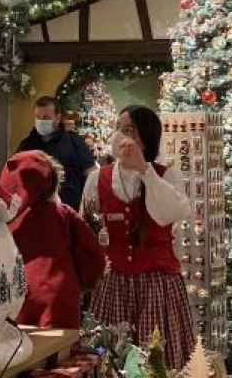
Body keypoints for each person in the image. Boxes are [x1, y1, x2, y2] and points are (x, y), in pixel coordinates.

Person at [82, 105, 194, 369]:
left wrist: (145, 169)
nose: (120, 136)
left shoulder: (167, 175)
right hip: (114, 285)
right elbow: (87, 226)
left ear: (146, 136)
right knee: (110, 359)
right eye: (118, 128)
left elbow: (169, 213)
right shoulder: (98, 179)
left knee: (157, 360)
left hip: (157, 284)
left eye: (128, 129)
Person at [3, 150, 104, 329]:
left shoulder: (8, 222)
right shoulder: (64, 214)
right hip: (58, 298)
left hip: (16, 298)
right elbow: (92, 256)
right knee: (60, 351)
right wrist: (84, 282)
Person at [17, 96, 96, 211]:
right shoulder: (27, 145)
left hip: (69, 212)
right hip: (35, 212)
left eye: (46, 117)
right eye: (38, 117)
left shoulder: (74, 142)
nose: (41, 121)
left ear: (58, 118)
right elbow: (15, 176)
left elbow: (91, 175)